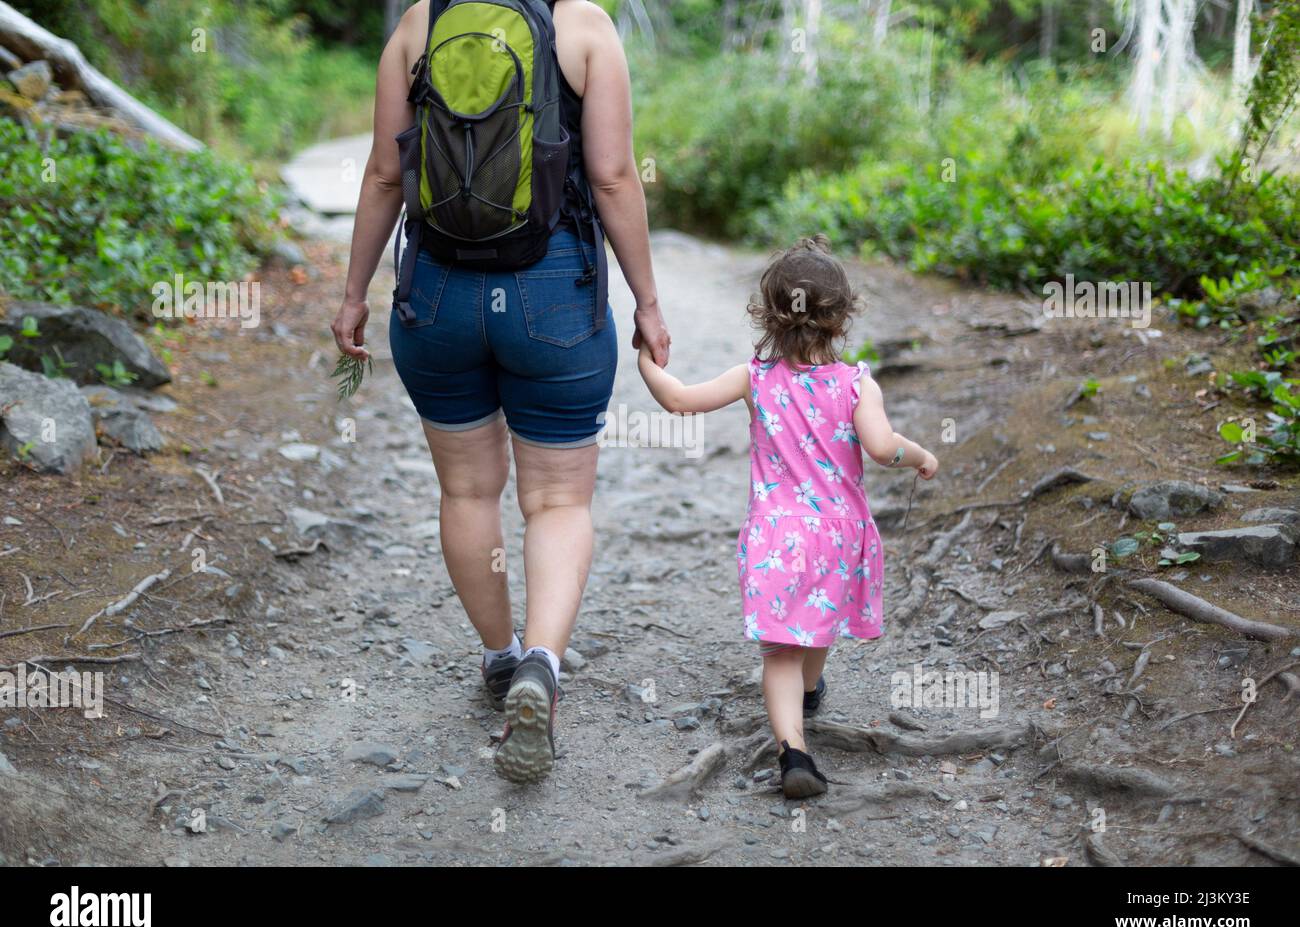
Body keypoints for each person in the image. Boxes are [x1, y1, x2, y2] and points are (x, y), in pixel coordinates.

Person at [329, 0, 670, 784]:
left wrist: (353, 293)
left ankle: (497, 657)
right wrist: (648, 302)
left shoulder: (419, 24)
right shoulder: (583, 27)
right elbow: (613, 177)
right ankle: (541, 667)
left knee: (467, 490)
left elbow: (386, 173)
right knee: (557, 501)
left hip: (439, 295)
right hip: (551, 294)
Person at [637, 235, 938, 799]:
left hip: (778, 534)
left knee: (779, 649)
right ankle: (809, 687)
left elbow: (680, 400)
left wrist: (643, 359)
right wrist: (921, 456)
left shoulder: (755, 378)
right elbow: (881, 446)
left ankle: (794, 753)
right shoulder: (855, 383)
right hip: (839, 535)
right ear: (842, 315)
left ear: (767, 313)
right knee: (816, 625)